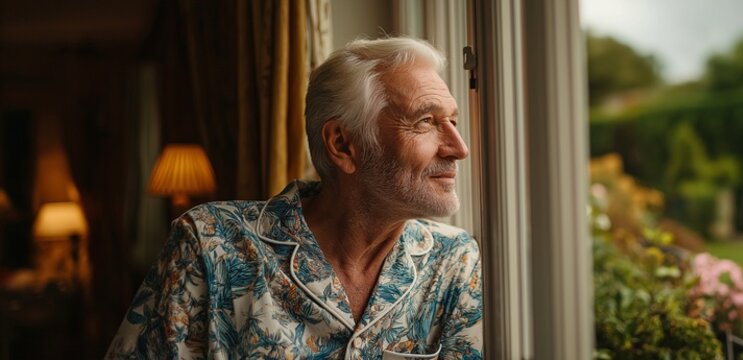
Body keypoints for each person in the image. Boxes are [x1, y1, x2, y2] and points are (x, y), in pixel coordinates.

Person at [107, 37, 482, 359]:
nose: (459, 148)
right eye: (425, 122)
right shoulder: (209, 244)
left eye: (452, 121)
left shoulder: (453, 261)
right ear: (342, 145)